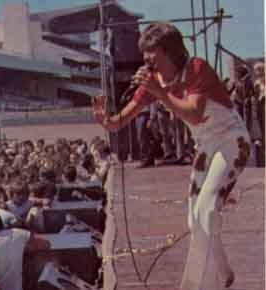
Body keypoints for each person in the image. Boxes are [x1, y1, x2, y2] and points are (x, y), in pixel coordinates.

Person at [92, 22, 250, 290]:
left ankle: (199, 285)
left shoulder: (196, 68)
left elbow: (194, 113)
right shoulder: (157, 83)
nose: (146, 60)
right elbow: (121, 121)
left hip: (231, 142)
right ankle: (223, 272)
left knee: (207, 208)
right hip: (207, 147)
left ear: (169, 52)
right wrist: (106, 120)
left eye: (151, 53)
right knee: (194, 217)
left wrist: (160, 93)